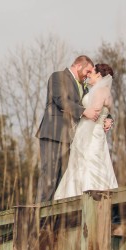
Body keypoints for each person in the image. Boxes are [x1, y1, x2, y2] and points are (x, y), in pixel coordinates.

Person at [36, 55, 101, 202]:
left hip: (72, 139)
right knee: (49, 177)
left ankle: (54, 220)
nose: (88, 75)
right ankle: (38, 218)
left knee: (62, 181)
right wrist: (83, 111)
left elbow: (94, 102)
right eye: (88, 71)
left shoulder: (84, 87)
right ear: (79, 66)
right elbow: (61, 100)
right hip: (53, 134)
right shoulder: (58, 77)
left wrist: (108, 118)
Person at [53, 63, 118, 199]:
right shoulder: (98, 90)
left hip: (91, 134)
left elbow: (94, 113)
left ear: (99, 75)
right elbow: (106, 112)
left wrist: (82, 138)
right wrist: (108, 119)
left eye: (92, 73)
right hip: (92, 132)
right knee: (85, 164)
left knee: (90, 162)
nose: (88, 75)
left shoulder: (101, 91)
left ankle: (90, 198)